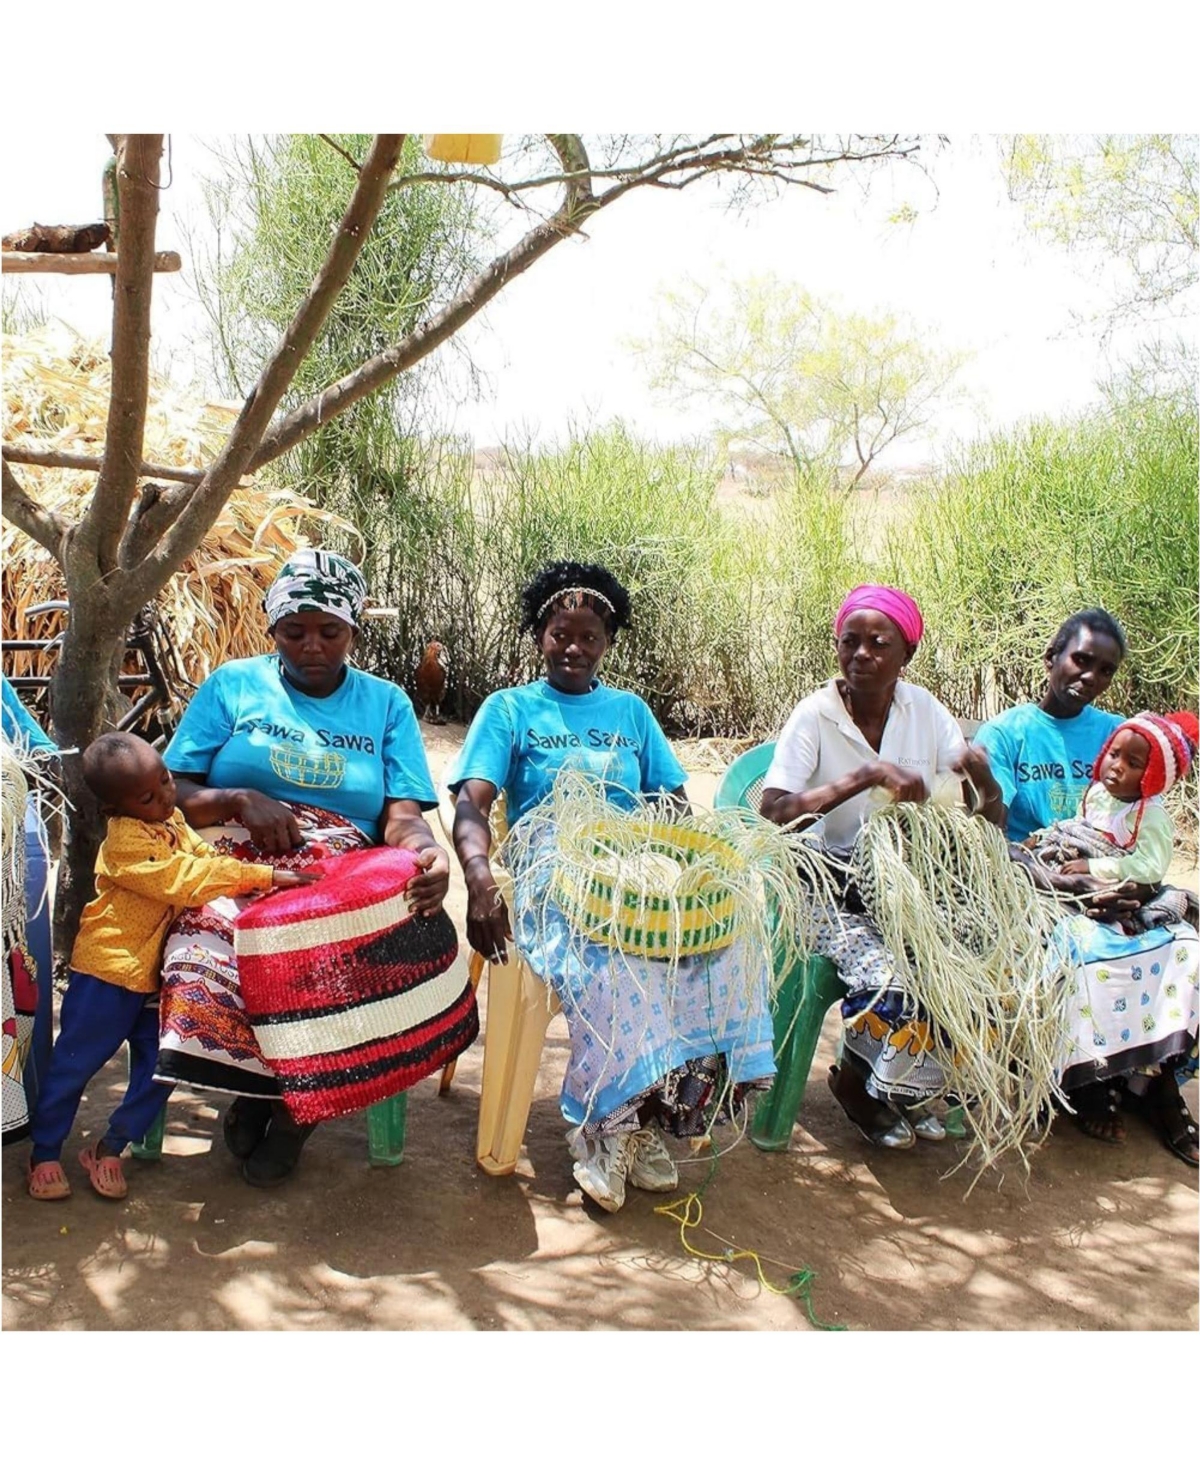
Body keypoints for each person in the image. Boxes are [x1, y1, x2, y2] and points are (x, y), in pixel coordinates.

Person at [449, 560, 776, 1212]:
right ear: (537, 635)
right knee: (614, 966)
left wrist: (686, 874)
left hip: (635, 867)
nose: (574, 648)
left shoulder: (630, 712)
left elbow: (674, 806)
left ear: (609, 643)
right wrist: (481, 881)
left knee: (715, 951)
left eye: (590, 636)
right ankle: (605, 1129)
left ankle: (654, 1120)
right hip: (556, 872)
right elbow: (470, 803)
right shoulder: (510, 709)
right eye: (560, 634)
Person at [157, 548, 466, 1186]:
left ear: (353, 631)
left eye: (330, 631)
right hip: (231, 861)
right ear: (273, 630)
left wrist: (424, 853)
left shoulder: (385, 704)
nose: (312, 647)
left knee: (342, 952)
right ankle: (261, 1091)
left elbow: (402, 814)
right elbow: (172, 789)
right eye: (294, 632)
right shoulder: (233, 686)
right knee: (206, 950)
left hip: (337, 869)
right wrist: (238, 798)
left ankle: (299, 1115)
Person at [760, 584, 1005, 1150]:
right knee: (887, 978)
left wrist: (984, 780)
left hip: (906, 883)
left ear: (906, 655)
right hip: (823, 881)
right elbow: (773, 811)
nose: (862, 654)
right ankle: (855, 1086)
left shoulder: (925, 711)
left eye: (879, 643)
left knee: (963, 963)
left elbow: (985, 821)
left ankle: (904, 1089)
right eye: (850, 642)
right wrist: (866, 776)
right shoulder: (816, 714)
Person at [26, 734, 314, 1201]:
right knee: (74, 1067)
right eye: (147, 796)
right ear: (113, 808)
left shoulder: (173, 819)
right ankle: (44, 1154)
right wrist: (260, 876)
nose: (164, 796)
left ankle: (111, 1147)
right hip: (109, 973)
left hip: (157, 974)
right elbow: (185, 879)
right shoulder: (124, 845)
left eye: (165, 781)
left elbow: (204, 858)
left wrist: (254, 874)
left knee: (161, 1069)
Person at [976, 613, 1199, 1165]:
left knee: (1182, 937)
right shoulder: (1007, 734)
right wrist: (1064, 884)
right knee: (1082, 941)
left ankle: (1157, 1084)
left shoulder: (1120, 732)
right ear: (1051, 656)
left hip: (1112, 874)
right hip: (1036, 876)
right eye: (1081, 660)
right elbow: (991, 836)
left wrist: (1129, 885)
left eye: (1106, 669)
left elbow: (1144, 828)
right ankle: (1087, 1079)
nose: (1091, 676)